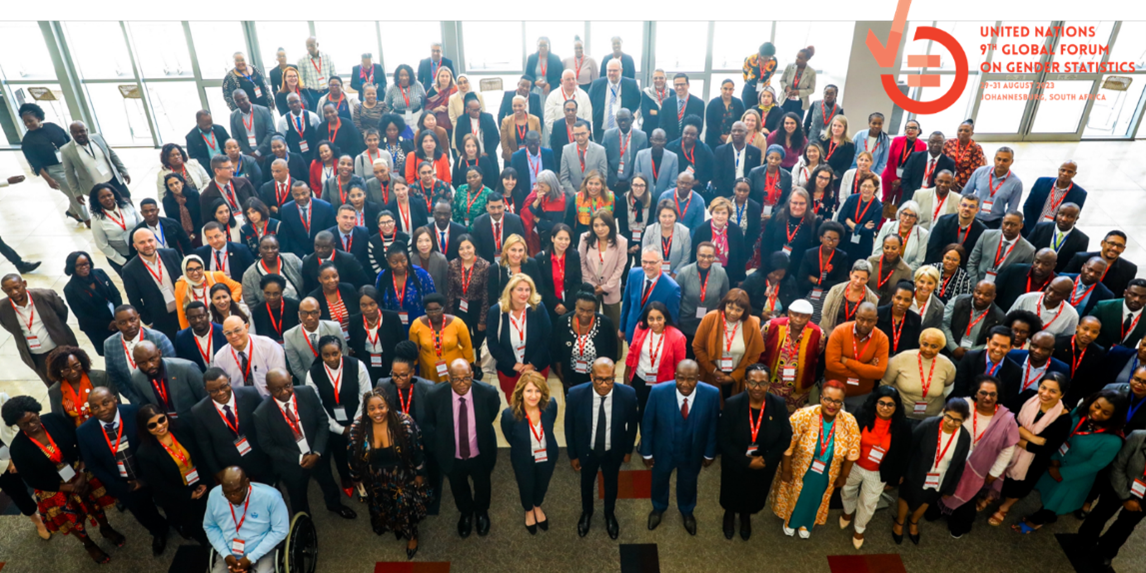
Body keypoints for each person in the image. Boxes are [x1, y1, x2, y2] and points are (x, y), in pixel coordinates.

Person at [2, 395, 121, 564]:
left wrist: (81, 473)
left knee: (95, 501)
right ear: (17, 425)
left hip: (78, 470)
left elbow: (81, 444)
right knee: (70, 519)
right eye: (24, 425)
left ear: (37, 411)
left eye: (33, 419)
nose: (32, 426)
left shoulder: (55, 420)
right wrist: (70, 488)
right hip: (53, 486)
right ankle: (88, 544)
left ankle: (106, 528)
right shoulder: (18, 448)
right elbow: (33, 480)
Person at [253, 368, 357, 520]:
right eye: (277, 389)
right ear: (267, 389)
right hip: (292, 464)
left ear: (292, 379)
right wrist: (299, 458)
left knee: (328, 483)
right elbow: (267, 445)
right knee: (297, 497)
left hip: (318, 454)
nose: (284, 392)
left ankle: (335, 505)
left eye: (288, 385)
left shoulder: (307, 393)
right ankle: (304, 524)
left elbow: (322, 421)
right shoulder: (261, 414)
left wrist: (317, 452)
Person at [1014, 389, 1125, 534]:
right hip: (1056, 459)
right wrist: (1053, 460)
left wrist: (1061, 472)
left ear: (1114, 416)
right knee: (1044, 489)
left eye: (1105, 413)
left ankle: (1038, 520)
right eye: (1096, 406)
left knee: (1057, 500)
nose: (1097, 413)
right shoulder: (1080, 412)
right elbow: (1060, 432)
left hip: (1073, 475)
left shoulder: (1114, 440)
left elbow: (1094, 465)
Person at [76, 389, 170, 555]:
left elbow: (152, 440)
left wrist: (144, 478)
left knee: (168, 499)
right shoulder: (83, 432)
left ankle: (179, 523)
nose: (102, 409)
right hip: (124, 484)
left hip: (150, 472)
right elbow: (92, 464)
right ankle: (159, 531)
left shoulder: (135, 412)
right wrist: (118, 486)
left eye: (106, 402)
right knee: (142, 512)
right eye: (95, 406)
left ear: (115, 399)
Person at [772, 379, 861, 538]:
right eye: (827, 399)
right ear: (820, 398)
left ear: (842, 403)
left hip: (828, 471)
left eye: (837, 401)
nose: (832, 405)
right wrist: (786, 469)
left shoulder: (849, 422)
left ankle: (807, 523)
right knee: (797, 495)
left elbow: (852, 452)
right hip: (799, 467)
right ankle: (790, 521)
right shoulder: (803, 415)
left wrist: (844, 475)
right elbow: (788, 445)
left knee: (817, 497)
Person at [640, 359, 719, 536]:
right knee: (659, 481)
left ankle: (687, 511)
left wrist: (709, 453)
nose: (685, 384)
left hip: (693, 452)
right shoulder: (658, 392)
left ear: (698, 378)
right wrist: (646, 452)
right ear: (675, 376)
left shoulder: (711, 394)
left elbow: (713, 425)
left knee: (689, 482)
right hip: (663, 451)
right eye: (681, 378)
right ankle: (658, 508)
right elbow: (648, 425)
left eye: (691, 379)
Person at [348, 388, 429, 559]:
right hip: (374, 478)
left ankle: (412, 536)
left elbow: (417, 450)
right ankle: (393, 525)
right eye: (372, 408)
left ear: (388, 406)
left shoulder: (404, 423)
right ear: (366, 410)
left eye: (381, 407)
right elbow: (352, 456)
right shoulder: (357, 428)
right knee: (382, 507)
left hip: (402, 476)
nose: (377, 412)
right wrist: (355, 477)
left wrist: (420, 473)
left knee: (404, 509)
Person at [986, 371, 1074, 526]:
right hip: (1006, 449)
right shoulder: (1029, 395)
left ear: (1062, 395)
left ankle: (1005, 507)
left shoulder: (1064, 419)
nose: (1045, 394)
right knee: (998, 473)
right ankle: (990, 496)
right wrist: (1031, 437)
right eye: (1043, 387)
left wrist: (1014, 435)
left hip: (1033, 462)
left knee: (1018, 488)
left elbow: (1045, 449)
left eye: (1053, 391)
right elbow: (1006, 416)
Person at [564, 357, 638, 539]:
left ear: (614, 376)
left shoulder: (628, 395)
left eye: (609, 379)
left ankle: (609, 514)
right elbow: (569, 427)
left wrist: (628, 451)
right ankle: (587, 512)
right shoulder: (575, 395)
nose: (604, 385)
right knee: (586, 483)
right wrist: (573, 455)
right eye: (599, 379)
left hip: (613, 451)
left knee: (611, 483)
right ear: (591, 377)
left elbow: (632, 425)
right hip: (587, 451)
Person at [426, 359, 500, 537]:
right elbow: (431, 422)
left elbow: (491, 414)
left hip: (480, 452)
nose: (462, 384)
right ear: (448, 378)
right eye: (456, 379)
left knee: (483, 485)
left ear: (472, 375)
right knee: (458, 487)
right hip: (452, 454)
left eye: (466, 378)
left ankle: (481, 512)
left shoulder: (487, 393)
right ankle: (466, 513)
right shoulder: (434, 395)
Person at [838, 385, 913, 548]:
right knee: (847, 491)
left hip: (878, 472)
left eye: (890, 404)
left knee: (868, 502)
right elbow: (846, 439)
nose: (885, 408)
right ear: (875, 402)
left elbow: (903, 455)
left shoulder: (903, 426)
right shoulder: (860, 414)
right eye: (881, 403)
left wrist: (894, 478)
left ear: (896, 406)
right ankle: (847, 512)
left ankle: (859, 528)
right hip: (854, 465)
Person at [893, 398, 972, 545]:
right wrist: (901, 472)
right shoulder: (928, 425)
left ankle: (913, 521)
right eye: (948, 416)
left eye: (957, 420)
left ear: (964, 420)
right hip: (916, 471)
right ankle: (899, 521)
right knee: (906, 496)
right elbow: (910, 448)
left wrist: (951, 488)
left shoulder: (964, 437)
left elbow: (960, 464)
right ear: (943, 412)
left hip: (940, 478)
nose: (950, 422)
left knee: (927, 500)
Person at [304, 335, 371, 494]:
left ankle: (364, 477)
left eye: (335, 353)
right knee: (339, 453)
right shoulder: (313, 373)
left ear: (342, 351)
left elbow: (366, 395)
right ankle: (345, 477)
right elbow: (317, 405)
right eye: (326, 355)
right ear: (320, 354)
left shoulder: (357, 365)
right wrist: (339, 429)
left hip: (358, 418)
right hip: (331, 424)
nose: (331, 358)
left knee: (362, 450)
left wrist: (355, 423)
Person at [135, 403, 209, 545]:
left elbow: (199, 455)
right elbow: (160, 485)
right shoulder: (145, 453)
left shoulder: (181, 427)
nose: (160, 426)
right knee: (193, 524)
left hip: (199, 482)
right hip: (177, 495)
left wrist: (204, 481)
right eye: (152, 425)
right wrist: (189, 495)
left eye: (161, 420)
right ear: (145, 428)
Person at [1077, 426, 1146, 570]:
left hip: (1144, 498)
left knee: (1126, 525)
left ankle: (1106, 551)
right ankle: (1085, 539)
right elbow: (1117, 465)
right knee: (1102, 511)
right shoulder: (1139, 437)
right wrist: (1125, 497)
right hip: (1120, 483)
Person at [500, 371, 560, 535]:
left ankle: (537, 505)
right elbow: (509, 436)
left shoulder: (551, 405)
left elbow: (550, 426)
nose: (534, 396)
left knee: (542, 483)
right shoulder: (509, 415)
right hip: (522, 458)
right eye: (529, 391)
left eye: (538, 391)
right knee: (526, 485)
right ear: (521, 392)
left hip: (547, 455)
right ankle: (528, 509)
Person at [203, 466, 289, 573]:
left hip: (261, 549)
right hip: (229, 550)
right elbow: (210, 526)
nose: (232, 496)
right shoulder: (215, 495)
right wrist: (226, 554)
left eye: (237, 490)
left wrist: (251, 558)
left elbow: (281, 530)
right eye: (227, 493)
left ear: (247, 482)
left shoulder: (271, 497)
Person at [0, 273, 79, 385]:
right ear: (3, 290)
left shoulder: (46, 296)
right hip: (37, 357)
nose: (14, 292)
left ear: (24, 283)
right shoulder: (2, 308)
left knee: (76, 378)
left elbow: (62, 314)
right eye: (9, 290)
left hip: (60, 347)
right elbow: (10, 327)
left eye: (17, 287)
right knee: (54, 386)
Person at [18, 103, 87, 225]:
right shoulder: (27, 141)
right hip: (55, 171)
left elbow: (69, 143)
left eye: (30, 121)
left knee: (77, 191)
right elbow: (36, 164)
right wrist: (49, 180)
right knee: (74, 194)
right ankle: (88, 220)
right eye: (25, 122)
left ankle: (72, 212)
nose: (28, 124)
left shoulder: (53, 127)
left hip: (70, 164)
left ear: (38, 118)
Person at [693, 288, 766, 400]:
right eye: (730, 307)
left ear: (745, 311)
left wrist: (734, 376)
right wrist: (714, 371)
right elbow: (697, 347)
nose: (733, 313)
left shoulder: (752, 324)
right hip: (710, 374)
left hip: (738, 377)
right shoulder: (709, 318)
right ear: (724, 304)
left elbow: (754, 356)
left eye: (738, 310)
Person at [825, 302, 890, 412]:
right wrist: (865, 369)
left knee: (855, 426)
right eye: (861, 319)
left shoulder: (882, 339)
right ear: (856, 316)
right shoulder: (840, 331)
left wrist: (847, 361)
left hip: (861, 395)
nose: (865, 324)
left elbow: (879, 373)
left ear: (876, 320)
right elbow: (831, 365)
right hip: (833, 390)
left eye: (870, 321)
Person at [551, 285, 619, 390]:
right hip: (571, 376)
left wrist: (606, 376)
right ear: (575, 306)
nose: (585, 314)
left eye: (589, 311)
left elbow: (612, 351)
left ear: (595, 309)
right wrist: (560, 373)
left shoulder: (605, 323)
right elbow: (556, 351)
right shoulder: (563, 322)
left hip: (597, 377)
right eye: (581, 310)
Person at [883, 329, 957, 420]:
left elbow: (947, 385)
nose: (928, 349)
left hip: (931, 417)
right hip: (900, 414)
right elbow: (885, 385)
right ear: (920, 342)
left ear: (941, 347)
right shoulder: (901, 358)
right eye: (925, 344)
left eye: (934, 346)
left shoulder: (947, 365)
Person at [444, 236, 491, 373]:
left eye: (468, 247)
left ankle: (479, 362)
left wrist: (483, 318)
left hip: (477, 304)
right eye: (461, 248)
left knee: (479, 335)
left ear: (474, 247)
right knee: (462, 335)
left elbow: (486, 294)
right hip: (459, 305)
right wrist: (450, 315)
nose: (465, 251)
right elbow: (450, 291)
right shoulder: (452, 265)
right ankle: (464, 362)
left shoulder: (485, 265)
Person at [129, 340, 206, 423]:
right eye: (142, 363)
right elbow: (147, 406)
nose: (149, 366)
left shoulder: (187, 368)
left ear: (159, 353)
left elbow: (205, 399)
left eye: (152, 359)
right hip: (166, 426)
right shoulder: (137, 377)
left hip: (196, 422)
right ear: (136, 362)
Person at [408, 293, 474, 384]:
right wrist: (413, 368)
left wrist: (470, 367)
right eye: (429, 310)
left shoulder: (458, 323)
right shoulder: (417, 325)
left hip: (454, 371)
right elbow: (413, 350)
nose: (434, 313)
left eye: (437, 309)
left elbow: (467, 347)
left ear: (444, 308)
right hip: (428, 371)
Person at [214, 315, 286, 397]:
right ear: (224, 334)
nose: (233, 336)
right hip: (240, 403)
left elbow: (280, 380)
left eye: (237, 330)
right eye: (228, 333)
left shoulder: (269, 346)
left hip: (270, 399)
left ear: (246, 327)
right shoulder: (220, 357)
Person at [677, 242, 731, 350]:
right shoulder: (684, 273)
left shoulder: (721, 273)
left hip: (710, 324)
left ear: (714, 257)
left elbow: (725, 299)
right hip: (687, 323)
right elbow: (677, 299)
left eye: (709, 256)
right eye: (702, 255)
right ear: (697, 255)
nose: (705, 259)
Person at [45, 346, 116, 426]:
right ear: (59, 371)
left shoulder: (100, 377)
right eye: (66, 369)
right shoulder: (55, 391)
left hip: (107, 424)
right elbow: (59, 419)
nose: (73, 372)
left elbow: (116, 403)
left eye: (76, 366)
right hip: (79, 431)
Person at [61, 120, 131, 202]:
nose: (79, 134)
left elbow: (112, 155)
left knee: (126, 202)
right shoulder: (66, 150)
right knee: (106, 209)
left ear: (86, 130)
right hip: (94, 188)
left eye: (82, 131)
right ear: (71, 133)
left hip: (114, 180)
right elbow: (69, 173)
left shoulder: (98, 138)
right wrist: (76, 193)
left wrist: (124, 171)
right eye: (75, 132)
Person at [942, 280, 1006, 361]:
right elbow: (944, 324)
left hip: (975, 359)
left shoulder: (999, 317)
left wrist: (972, 352)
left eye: (986, 295)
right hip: (948, 352)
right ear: (974, 290)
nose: (981, 297)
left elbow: (994, 341)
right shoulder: (957, 301)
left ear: (993, 296)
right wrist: (954, 348)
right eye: (978, 292)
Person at [1064, 230, 1139, 297]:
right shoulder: (1081, 258)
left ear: (1123, 249)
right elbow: (1064, 278)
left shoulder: (1129, 269)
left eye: (1119, 246)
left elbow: (1122, 295)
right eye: (1111, 243)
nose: (1114, 248)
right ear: (1102, 243)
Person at [967, 211, 1035, 284]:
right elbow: (972, 263)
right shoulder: (986, 235)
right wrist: (976, 285)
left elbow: (1021, 277)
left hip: (1003, 291)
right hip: (978, 284)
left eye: (1013, 225)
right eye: (1006, 223)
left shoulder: (1028, 250)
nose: (1008, 228)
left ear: (1021, 226)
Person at [1022, 161, 1088, 236]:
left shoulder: (1080, 193)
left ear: (1074, 174)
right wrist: (1032, 230)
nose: (1065, 173)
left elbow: (1073, 217)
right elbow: (1027, 206)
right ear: (1058, 170)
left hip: (1053, 234)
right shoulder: (1041, 182)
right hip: (1029, 229)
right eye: (1063, 170)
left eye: (1070, 172)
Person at [88, 184, 141, 276]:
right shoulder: (97, 219)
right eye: (102, 197)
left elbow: (140, 223)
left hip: (139, 249)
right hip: (121, 256)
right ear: (97, 200)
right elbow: (102, 245)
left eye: (109, 195)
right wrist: (123, 261)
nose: (107, 198)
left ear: (114, 194)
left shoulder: (126, 205)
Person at [963, 148, 1023, 228]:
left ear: (1011, 162)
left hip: (994, 223)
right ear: (994, 159)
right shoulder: (980, 172)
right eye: (999, 159)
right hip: (972, 218)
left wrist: (1001, 229)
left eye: (1005, 160)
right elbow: (964, 194)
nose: (1001, 163)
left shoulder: (1016, 183)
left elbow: (1011, 210)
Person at [241, 235, 304, 308]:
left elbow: (306, 280)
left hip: (300, 309)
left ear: (278, 248)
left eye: (274, 247)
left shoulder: (293, 260)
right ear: (259, 250)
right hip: (269, 315)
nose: (270, 251)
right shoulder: (249, 275)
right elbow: (251, 303)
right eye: (265, 248)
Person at [796, 220, 849, 305]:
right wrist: (820, 286)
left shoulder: (841, 256)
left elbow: (839, 283)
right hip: (807, 293)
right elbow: (801, 279)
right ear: (821, 238)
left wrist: (817, 281)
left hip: (829, 296)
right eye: (828, 238)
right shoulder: (809, 253)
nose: (831, 243)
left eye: (835, 239)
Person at [819, 259, 878, 333]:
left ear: (868, 279)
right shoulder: (835, 290)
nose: (858, 281)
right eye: (856, 277)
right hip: (831, 333)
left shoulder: (872, 299)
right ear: (850, 274)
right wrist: (832, 336)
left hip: (856, 338)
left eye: (863, 279)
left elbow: (871, 322)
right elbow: (825, 314)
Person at [925, 193, 986, 266]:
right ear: (958, 206)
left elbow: (977, 258)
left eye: (971, 207)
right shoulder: (943, 221)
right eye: (964, 205)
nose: (967, 209)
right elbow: (933, 248)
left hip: (964, 270)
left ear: (977, 210)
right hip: (940, 264)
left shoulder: (982, 231)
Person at [834, 172, 883, 263]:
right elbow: (840, 220)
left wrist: (851, 224)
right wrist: (862, 227)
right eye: (864, 185)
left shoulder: (878, 207)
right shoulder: (851, 199)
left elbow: (870, 231)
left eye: (870, 186)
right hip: (845, 240)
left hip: (863, 244)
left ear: (875, 188)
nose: (866, 189)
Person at [1010, 275, 1081, 337]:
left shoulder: (1072, 316)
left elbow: (1064, 341)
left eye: (1057, 293)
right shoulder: (1025, 299)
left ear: (1066, 296)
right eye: (1050, 289)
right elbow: (1007, 321)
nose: (1050, 294)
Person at [589, 61, 641, 144]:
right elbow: (590, 102)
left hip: (622, 131)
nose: (611, 73)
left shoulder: (631, 85)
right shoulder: (596, 84)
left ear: (621, 70)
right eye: (609, 70)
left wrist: (631, 115)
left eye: (615, 70)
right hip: (601, 131)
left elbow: (637, 101)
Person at [1027, 203, 1087, 274]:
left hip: (1058, 277)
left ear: (1076, 218)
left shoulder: (1082, 240)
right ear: (1057, 213)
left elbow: (1074, 264)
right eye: (1061, 214)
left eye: (1070, 216)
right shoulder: (1040, 228)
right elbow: (1028, 250)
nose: (1064, 219)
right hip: (1033, 271)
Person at [1090, 278, 1146, 350]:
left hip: (1125, 357)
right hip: (1097, 353)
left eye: (1143, 297)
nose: (1137, 299)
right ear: (1125, 293)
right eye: (1133, 294)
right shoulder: (1103, 307)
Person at [875, 202, 929, 271]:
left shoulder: (923, 234)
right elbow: (877, 251)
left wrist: (901, 272)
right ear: (900, 214)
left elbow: (918, 261)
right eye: (905, 214)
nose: (907, 218)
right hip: (883, 269)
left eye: (911, 216)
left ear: (916, 218)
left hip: (906, 274)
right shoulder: (887, 227)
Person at [228, 90, 274, 166]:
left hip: (265, 153)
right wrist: (250, 153)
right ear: (235, 102)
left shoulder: (263, 110)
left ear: (248, 98)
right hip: (248, 157)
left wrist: (258, 151)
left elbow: (271, 132)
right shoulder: (233, 116)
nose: (241, 102)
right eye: (238, 101)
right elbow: (235, 137)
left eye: (243, 99)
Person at [867, 235, 914, 306]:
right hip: (868, 302)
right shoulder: (871, 261)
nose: (889, 251)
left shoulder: (906, 270)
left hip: (890, 306)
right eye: (886, 247)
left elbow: (903, 293)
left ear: (900, 248)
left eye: (894, 248)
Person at [878, 281, 923, 355]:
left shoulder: (915, 320)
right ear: (893, 298)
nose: (901, 303)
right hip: (879, 357)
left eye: (906, 300)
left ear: (911, 302)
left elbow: (915, 347)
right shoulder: (879, 313)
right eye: (898, 298)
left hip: (903, 361)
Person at [277, 91, 322, 164]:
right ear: (288, 105)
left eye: (296, 101)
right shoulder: (283, 121)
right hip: (295, 157)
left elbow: (320, 135)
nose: (294, 104)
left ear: (301, 102)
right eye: (291, 103)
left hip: (313, 154)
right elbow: (282, 140)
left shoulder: (313, 116)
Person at [660, 74, 705, 144]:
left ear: (688, 85)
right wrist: (673, 142)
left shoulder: (699, 103)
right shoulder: (666, 103)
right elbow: (662, 124)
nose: (679, 87)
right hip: (670, 144)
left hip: (690, 143)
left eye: (682, 84)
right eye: (676, 85)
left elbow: (699, 127)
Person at [454, 93, 500, 161]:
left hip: (488, 156)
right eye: (474, 110)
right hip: (469, 157)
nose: (477, 112)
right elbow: (458, 141)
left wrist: (487, 153)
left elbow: (496, 138)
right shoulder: (461, 121)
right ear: (467, 109)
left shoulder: (488, 118)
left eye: (479, 109)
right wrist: (469, 153)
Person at [387, 64, 427, 130]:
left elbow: (424, 101)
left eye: (406, 75)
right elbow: (387, 105)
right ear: (397, 76)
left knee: (417, 138)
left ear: (410, 76)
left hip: (417, 117)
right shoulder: (392, 88)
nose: (404, 78)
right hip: (399, 118)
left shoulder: (418, 85)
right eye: (401, 75)